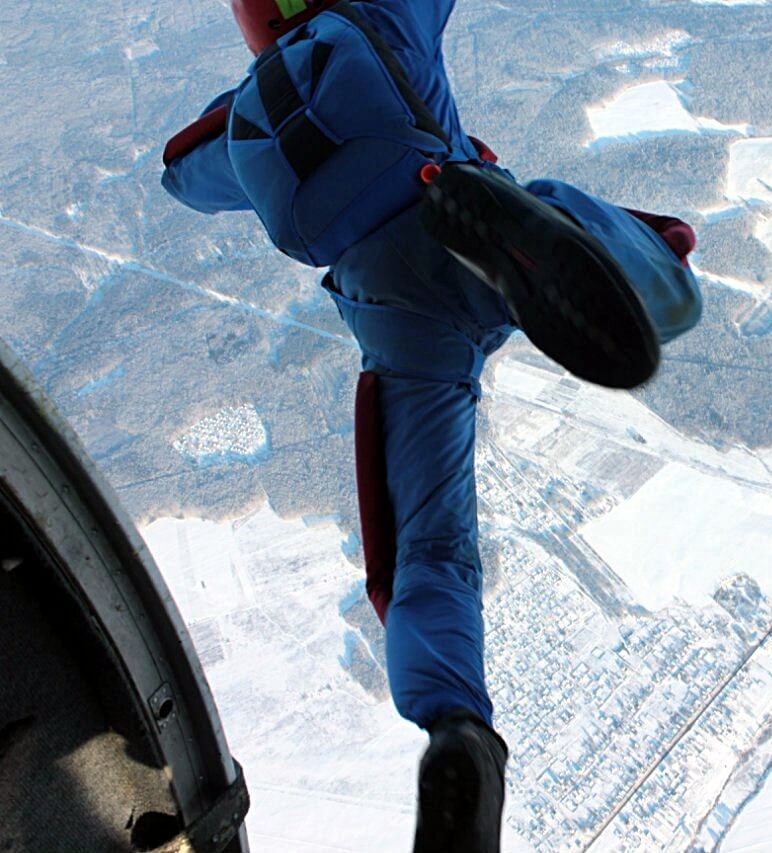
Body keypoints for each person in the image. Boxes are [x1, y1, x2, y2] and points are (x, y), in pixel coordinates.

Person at [159, 0, 702, 849]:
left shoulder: (239, 122)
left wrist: (239, 121)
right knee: (664, 276)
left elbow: (178, 172)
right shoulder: (378, 15)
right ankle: (564, 236)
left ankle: (458, 729)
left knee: (428, 548)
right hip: (441, 200)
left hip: (393, 303)